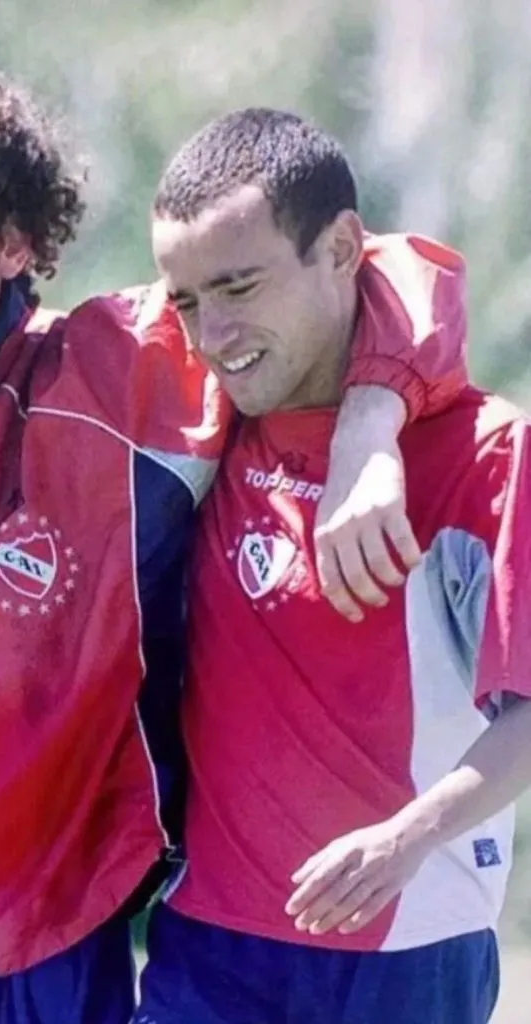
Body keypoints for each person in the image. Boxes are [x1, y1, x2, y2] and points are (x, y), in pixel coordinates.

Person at [0, 56, 463, 1024]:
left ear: (14, 238)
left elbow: (370, 265)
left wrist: (368, 422)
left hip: (60, 964)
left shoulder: (120, 383)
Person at [130, 107, 531, 1024]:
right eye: (187, 300)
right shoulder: (202, 424)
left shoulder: (487, 457)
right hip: (207, 939)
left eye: (239, 286)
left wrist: (406, 838)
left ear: (344, 248)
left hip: (406, 941)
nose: (210, 333)